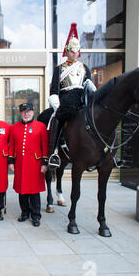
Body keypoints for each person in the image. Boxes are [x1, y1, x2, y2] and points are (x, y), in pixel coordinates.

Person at [48, 22, 95, 167]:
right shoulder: (59, 69)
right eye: (71, 51)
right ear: (67, 51)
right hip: (65, 99)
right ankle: (54, 152)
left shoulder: (84, 68)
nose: (74, 54)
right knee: (57, 119)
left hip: (81, 98)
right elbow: (54, 90)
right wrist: (57, 105)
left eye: (76, 52)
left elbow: (88, 84)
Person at [8, 102, 49, 227]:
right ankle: (24, 213)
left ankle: (36, 216)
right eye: (24, 111)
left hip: (35, 164)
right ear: (20, 113)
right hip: (20, 163)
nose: (26, 114)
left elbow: (45, 146)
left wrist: (44, 162)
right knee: (22, 190)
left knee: (34, 191)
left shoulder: (41, 126)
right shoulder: (14, 127)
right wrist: (10, 161)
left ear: (33, 112)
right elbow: (12, 146)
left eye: (29, 111)